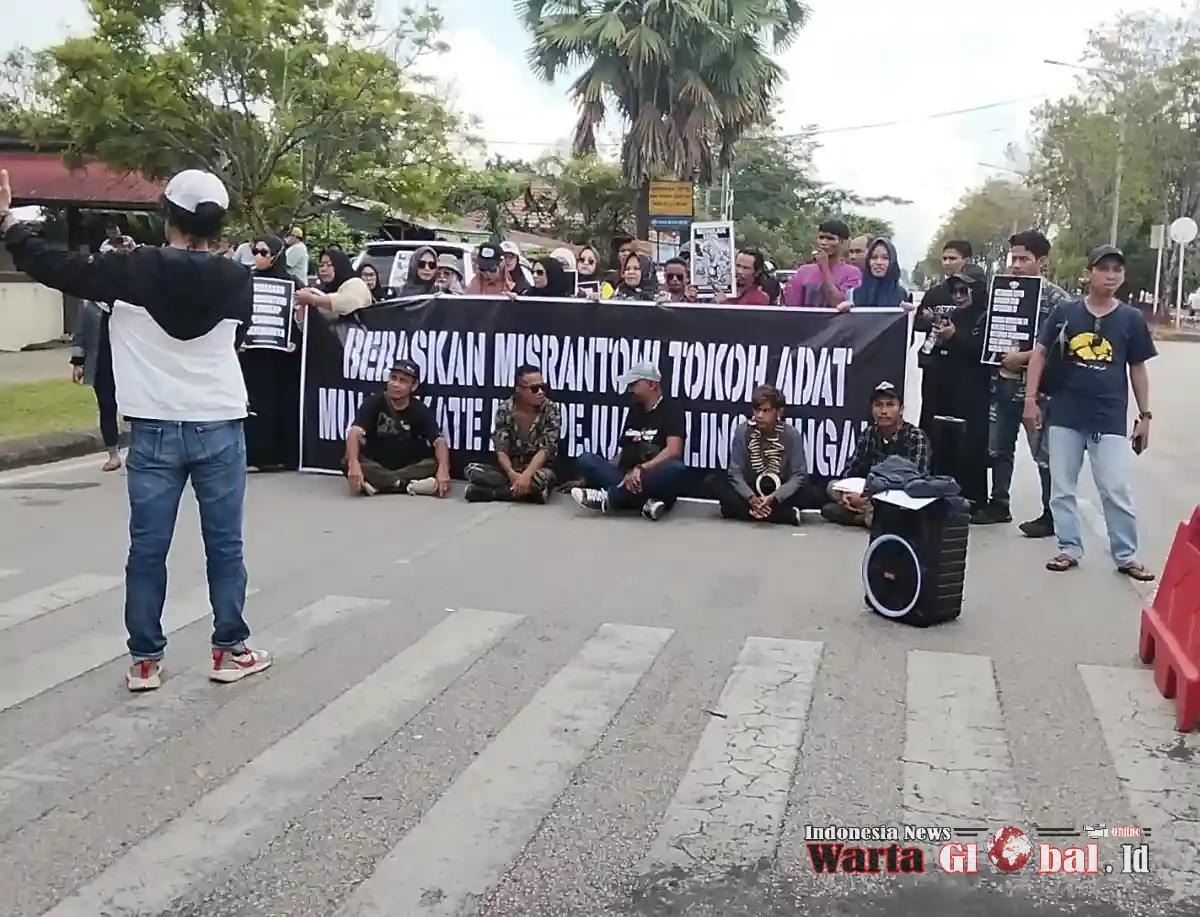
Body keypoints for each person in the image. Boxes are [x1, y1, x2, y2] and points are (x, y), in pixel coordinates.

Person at [0, 166, 271, 691]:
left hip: (154, 429)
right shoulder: (239, 278)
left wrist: (9, 223)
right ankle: (229, 650)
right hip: (219, 423)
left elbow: (54, 265)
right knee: (225, 546)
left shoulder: (127, 270)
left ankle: (145, 660)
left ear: (166, 215)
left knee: (147, 549)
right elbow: (237, 342)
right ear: (218, 226)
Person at [1024, 245, 1156, 581]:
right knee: (1062, 487)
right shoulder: (1066, 313)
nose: (1111, 276)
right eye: (1104, 269)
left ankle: (1126, 554)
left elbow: (1136, 367)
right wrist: (1030, 400)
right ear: (1089, 273)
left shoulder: (1130, 319)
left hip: (1108, 417)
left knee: (1114, 487)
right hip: (1065, 414)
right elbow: (1039, 355)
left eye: (1117, 270)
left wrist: (1146, 416)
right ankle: (1069, 547)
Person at [974, 230, 1067, 531]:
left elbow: (1063, 348)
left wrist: (1024, 358)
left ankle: (1051, 514)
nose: (1016, 265)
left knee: (1043, 452)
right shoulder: (1000, 291)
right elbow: (986, 331)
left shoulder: (1057, 300)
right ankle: (998, 503)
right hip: (1001, 382)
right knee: (998, 448)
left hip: (1038, 390)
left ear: (1041, 261)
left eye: (1024, 259)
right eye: (1013, 258)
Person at [916, 265, 992, 509]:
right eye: (955, 291)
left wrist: (955, 337)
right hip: (945, 386)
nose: (959, 296)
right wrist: (938, 339)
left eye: (964, 290)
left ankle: (975, 499)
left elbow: (987, 352)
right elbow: (929, 349)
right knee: (942, 437)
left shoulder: (989, 317)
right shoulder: (952, 316)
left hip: (975, 391)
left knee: (973, 444)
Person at [571, 362, 688, 521]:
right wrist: (592, 478)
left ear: (651, 384)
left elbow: (674, 450)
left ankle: (610, 498)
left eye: (634, 384)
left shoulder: (671, 409)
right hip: (624, 476)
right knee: (586, 460)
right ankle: (645, 502)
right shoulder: (635, 409)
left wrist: (641, 469)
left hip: (652, 477)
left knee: (676, 468)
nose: (629, 389)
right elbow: (624, 450)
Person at [822, 382, 932, 527]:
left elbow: (915, 481)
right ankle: (868, 516)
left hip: (896, 495)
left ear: (901, 410)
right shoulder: (869, 433)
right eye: (879, 405)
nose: (883, 411)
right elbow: (852, 468)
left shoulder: (915, 436)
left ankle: (867, 516)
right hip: (868, 490)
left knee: (902, 507)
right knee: (832, 487)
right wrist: (846, 495)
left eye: (890, 405)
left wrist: (869, 497)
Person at [342, 358, 452, 497]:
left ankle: (380, 485)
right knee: (347, 460)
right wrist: (353, 463)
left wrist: (443, 469)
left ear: (414, 386)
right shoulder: (374, 402)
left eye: (403, 381)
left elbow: (439, 441)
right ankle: (405, 485)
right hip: (377, 464)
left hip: (410, 466)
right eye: (393, 378)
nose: (396, 384)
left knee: (438, 463)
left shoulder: (420, 410)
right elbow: (354, 433)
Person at [240, 235, 302, 471]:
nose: (258, 256)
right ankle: (257, 456)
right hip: (254, 355)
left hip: (281, 358)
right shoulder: (247, 280)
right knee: (256, 404)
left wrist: (294, 339)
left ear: (276, 256)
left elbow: (300, 320)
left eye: (264, 252)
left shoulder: (292, 283)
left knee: (282, 403)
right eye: (255, 251)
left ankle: (285, 456)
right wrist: (239, 340)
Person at [707, 384, 806, 525]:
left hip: (779, 490)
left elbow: (799, 475)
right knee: (713, 482)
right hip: (750, 488)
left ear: (779, 412)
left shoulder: (791, 434)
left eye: (766, 411)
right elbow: (735, 472)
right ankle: (781, 516)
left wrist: (775, 497)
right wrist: (751, 498)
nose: (759, 415)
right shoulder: (743, 431)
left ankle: (741, 512)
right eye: (757, 410)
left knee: (809, 492)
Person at [464, 365, 560, 503]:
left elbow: (546, 449)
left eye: (542, 387)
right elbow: (501, 448)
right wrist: (511, 473)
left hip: (537, 470)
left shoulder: (550, 410)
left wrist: (526, 475)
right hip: (511, 469)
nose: (540, 392)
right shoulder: (505, 409)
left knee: (542, 481)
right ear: (519, 389)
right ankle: (523, 492)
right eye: (534, 389)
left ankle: (491, 493)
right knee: (472, 471)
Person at [70, 298, 121, 471]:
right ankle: (113, 455)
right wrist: (78, 363)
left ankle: (138, 450)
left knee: (134, 410)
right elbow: (79, 337)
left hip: (127, 366)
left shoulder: (127, 304)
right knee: (107, 408)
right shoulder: (88, 306)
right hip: (101, 366)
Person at [782, 219, 861, 308]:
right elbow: (793, 307)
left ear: (843, 242)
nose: (824, 243)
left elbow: (839, 303)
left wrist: (824, 269)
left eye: (830, 238)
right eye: (821, 238)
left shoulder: (852, 273)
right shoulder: (804, 271)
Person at [295, 248, 372, 316]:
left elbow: (346, 303)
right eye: (321, 265)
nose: (323, 269)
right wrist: (302, 305)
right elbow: (303, 325)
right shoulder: (318, 289)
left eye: (329, 265)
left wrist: (313, 299)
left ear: (340, 265)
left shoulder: (356, 283)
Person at [844, 238, 910, 308]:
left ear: (892, 261)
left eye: (885, 258)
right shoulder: (853, 294)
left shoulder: (902, 294)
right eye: (874, 257)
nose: (879, 262)